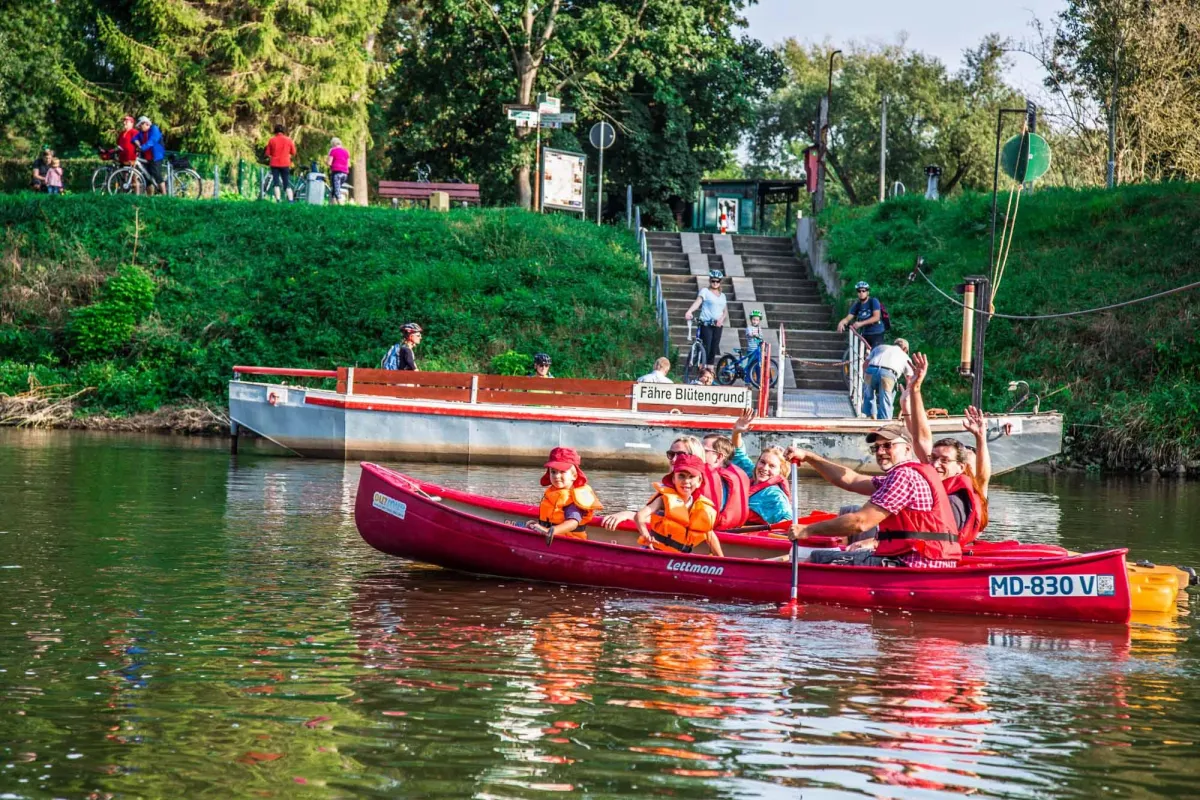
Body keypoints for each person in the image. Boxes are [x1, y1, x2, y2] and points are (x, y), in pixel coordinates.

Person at [785, 423, 960, 568]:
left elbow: (860, 522)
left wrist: (808, 530)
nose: (880, 451)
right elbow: (851, 480)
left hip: (913, 564)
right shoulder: (908, 473)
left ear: (907, 448)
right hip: (926, 560)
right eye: (876, 447)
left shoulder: (904, 476)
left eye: (887, 445)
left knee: (815, 558)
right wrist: (809, 457)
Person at [900, 353, 991, 545]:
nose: (937, 464)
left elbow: (983, 475)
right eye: (935, 458)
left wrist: (981, 438)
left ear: (961, 466)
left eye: (945, 460)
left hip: (953, 547)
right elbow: (921, 437)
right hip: (933, 542)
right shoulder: (935, 470)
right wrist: (915, 390)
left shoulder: (974, 488)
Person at [634, 453, 723, 557]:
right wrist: (646, 536)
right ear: (673, 479)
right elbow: (639, 516)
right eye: (681, 476)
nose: (686, 481)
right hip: (655, 552)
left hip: (681, 558)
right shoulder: (663, 499)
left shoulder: (700, 506)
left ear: (699, 481)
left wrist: (722, 561)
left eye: (692, 477)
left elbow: (709, 535)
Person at [729, 409, 793, 526]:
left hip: (749, 537)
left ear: (781, 472)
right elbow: (738, 453)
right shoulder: (751, 474)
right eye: (762, 462)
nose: (764, 468)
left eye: (772, 466)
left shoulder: (774, 495)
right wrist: (736, 432)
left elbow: (788, 520)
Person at [527, 447, 602, 543]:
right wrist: (539, 526)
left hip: (570, 542)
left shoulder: (572, 498)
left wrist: (550, 531)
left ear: (574, 476)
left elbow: (572, 523)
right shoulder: (552, 493)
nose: (557, 476)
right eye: (553, 472)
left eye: (562, 472)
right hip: (554, 538)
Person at [702, 434, 749, 530]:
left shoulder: (713, 480)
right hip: (731, 529)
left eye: (704, 451)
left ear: (719, 457)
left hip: (711, 532)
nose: (697, 454)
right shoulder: (736, 474)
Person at [684, 270, 728, 367]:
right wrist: (689, 311)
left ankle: (709, 371)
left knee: (713, 349)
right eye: (713, 281)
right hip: (706, 323)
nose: (715, 283)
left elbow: (725, 311)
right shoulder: (705, 291)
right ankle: (701, 369)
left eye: (717, 281)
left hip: (718, 325)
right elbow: (697, 302)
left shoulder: (723, 296)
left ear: (720, 282)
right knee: (706, 347)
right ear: (710, 281)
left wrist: (721, 319)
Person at [862, 337, 913, 420]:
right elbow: (909, 378)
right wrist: (907, 393)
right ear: (905, 349)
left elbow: (865, 364)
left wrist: (865, 377)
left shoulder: (880, 347)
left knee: (868, 394)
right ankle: (884, 422)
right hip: (888, 374)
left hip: (871, 370)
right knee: (886, 399)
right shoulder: (905, 356)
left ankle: (871, 417)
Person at [837, 281, 885, 348]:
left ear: (867, 292)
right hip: (865, 333)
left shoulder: (873, 301)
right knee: (863, 355)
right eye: (859, 291)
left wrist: (861, 323)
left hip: (877, 332)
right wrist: (842, 322)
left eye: (863, 291)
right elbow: (848, 318)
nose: (861, 293)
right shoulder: (857, 305)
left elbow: (876, 317)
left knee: (875, 354)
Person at [134, 116, 166, 195]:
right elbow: (134, 138)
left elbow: (152, 140)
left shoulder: (154, 129)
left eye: (141, 125)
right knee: (147, 177)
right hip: (147, 157)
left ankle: (165, 195)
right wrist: (136, 141)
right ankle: (150, 197)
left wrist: (142, 148)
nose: (140, 127)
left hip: (156, 156)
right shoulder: (142, 132)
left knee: (157, 174)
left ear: (146, 123)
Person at [265, 124, 297, 202]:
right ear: (283, 131)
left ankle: (278, 200)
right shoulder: (288, 140)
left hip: (274, 164)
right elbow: (293, 152)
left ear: (275, 131)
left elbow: (267, 153)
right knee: (286, 182)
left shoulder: (272, 140)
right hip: (285, 163)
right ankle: (291, 200)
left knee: (276, 183)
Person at [327, 137, 351, 205]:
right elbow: (348, 164)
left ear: (333, 144)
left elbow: (329, 163)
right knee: (334, 189)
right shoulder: (346, 152)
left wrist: (328, 157)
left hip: (336, 173)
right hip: (345, 174)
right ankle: (331, 204)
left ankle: (341, 205)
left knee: (337, 191)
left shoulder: (333, 150)